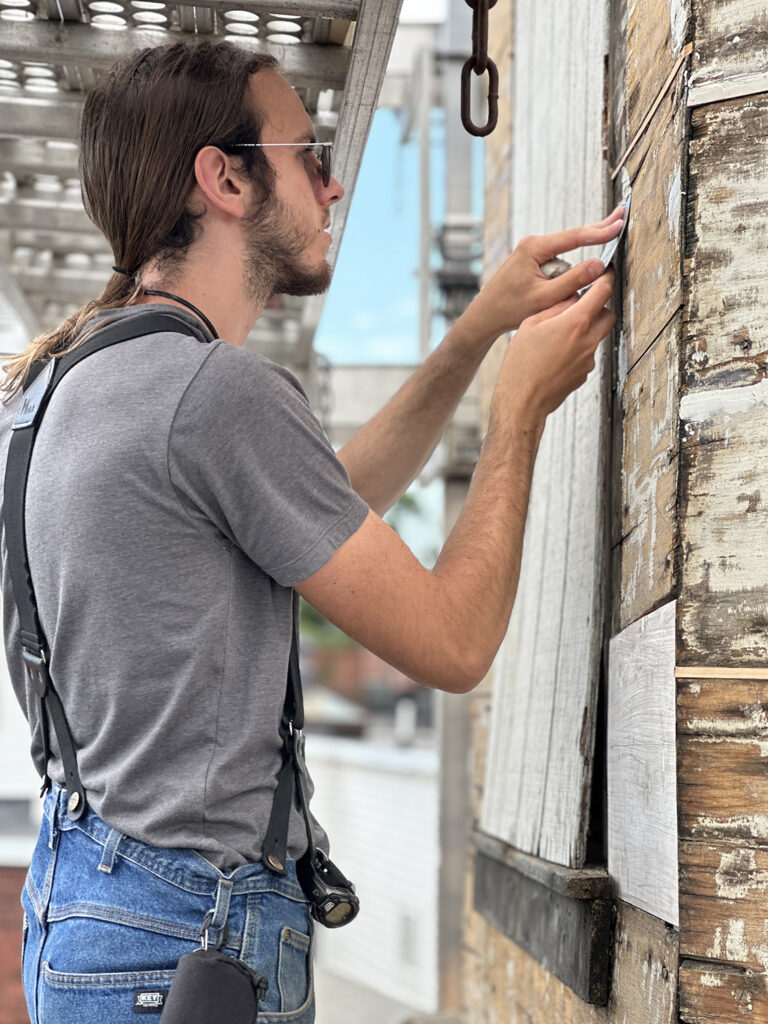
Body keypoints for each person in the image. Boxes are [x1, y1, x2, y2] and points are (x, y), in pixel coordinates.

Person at [0, 40, 621, 1024]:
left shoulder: (68, 383)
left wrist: (473, 336)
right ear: (226, 178)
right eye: (308, 156)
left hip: (95, 906)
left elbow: (316, 504)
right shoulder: (213, 392)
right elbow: (454, 642)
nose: (332, 189)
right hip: (184, 940)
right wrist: (519, 416)